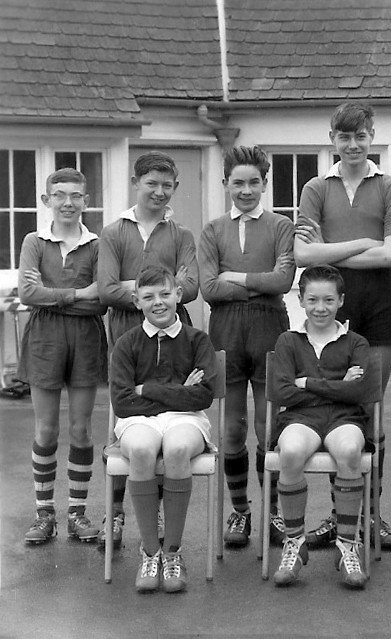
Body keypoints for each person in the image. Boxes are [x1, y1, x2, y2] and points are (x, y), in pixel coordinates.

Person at [295, 101, 391, 551]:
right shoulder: (315, 188)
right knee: (336, 406)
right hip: (330, 299)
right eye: (345, 136)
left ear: (372, 135)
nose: (354, 144)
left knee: (372, 410)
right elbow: (304, 257)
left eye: (361, 135)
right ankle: (338, 514)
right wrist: (364, 241)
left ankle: (372, 517)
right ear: (332, 139)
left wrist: (330, 247)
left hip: (378, 300)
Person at [96, 151, 199, 550]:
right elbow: (106, 289)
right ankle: (115, 512)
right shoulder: (114, 232)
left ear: (174, 188)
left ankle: (153, 511)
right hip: (127, 335)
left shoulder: (181, 235)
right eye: (151, 183)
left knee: (164, 417)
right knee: (128, 420)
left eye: (167, 185)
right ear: (136, 183)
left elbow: (189, 290)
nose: (158, 191)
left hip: (173, 337)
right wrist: (158, 290)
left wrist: (136, 288)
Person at [198, 145, 295, 549]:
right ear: (225, 184)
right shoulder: (213, 230)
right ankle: (240, 512)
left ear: (265, 184)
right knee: (233, 426)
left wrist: (234, 277)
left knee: (267, 426)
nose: (246, 190)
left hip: (270, 326)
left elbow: (283, 282)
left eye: (254, 182)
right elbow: (207, 288)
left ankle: (273, 510)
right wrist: (257, 280)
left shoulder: (279, 226)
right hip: (226, 331)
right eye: (238, 182)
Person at [108, 265, 217, 593]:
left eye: (165, 294)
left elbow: (204, 395)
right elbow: (123, 403)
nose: (158, 302)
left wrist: (147, 389)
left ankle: (172, 552)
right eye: (148, 296)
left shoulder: (197, 340)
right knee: (141, 449)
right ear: (135, 300)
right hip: (138, 420)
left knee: (177, 448)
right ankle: (149, 552)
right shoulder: (126, 344)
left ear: (178, 295)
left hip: (187, 418)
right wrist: (178, 392)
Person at [19, 168, 107, 545]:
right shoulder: (34, 242)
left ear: (86, 201)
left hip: (86, 338)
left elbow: (102, 298)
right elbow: (27, 293)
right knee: (46, 429)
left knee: (81, 429)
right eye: (60, 195)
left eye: (76, 195)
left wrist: (63, 296)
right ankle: (44, 514)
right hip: (44, 337)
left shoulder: (98, 245)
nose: (68, 202)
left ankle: (77, 512)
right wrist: (76, 295)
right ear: (46, 200)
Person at [269, 265, 372, 589]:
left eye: (328, 300)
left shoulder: (356, 342)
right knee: (292, 451)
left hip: (345, 417)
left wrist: (308, 383)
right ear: (301, 299)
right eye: (312, 299)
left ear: (341, 300)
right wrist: (336, 385)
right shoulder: (288, 340)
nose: (320, 308)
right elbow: (283, 392)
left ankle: (347, 545)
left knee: (350, 450)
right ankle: (295, 542)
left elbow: (358, 392)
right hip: (301, 418)